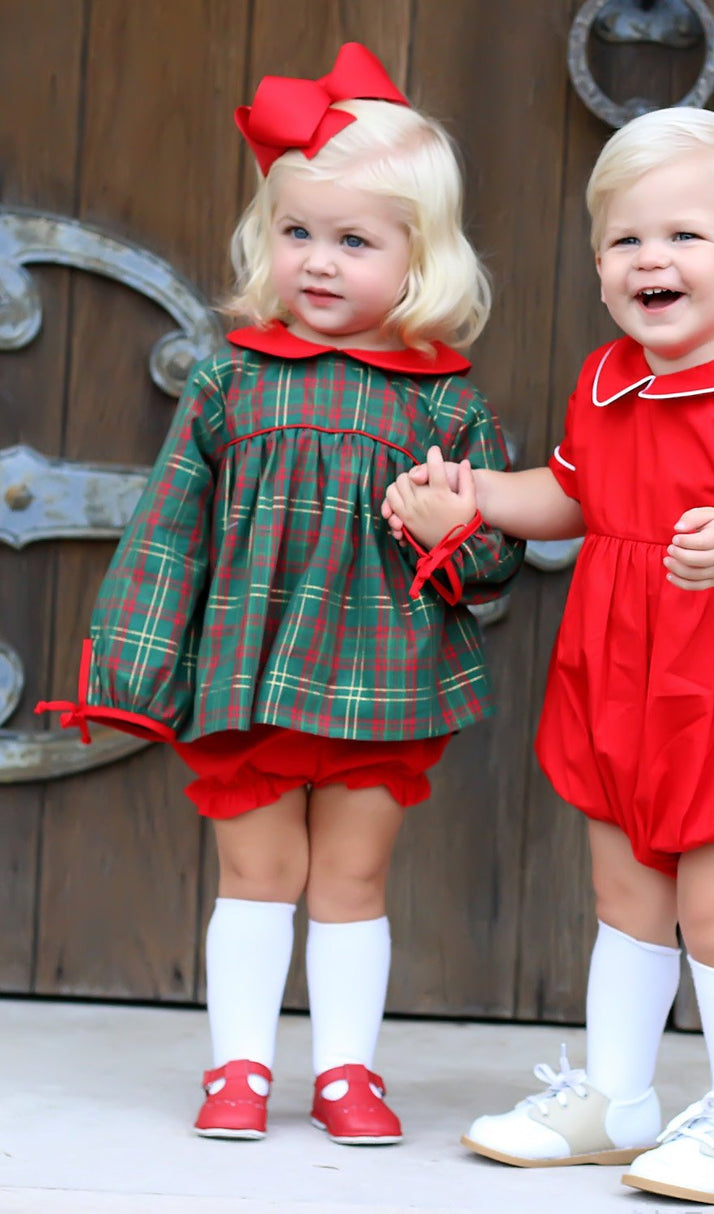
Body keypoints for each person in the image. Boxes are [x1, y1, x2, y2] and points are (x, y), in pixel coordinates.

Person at [37, 43, 523, 1146]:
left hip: (381, 676)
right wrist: (133, 666)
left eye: (354, 240)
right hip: (250, 674)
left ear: (416, 258)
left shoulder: (444, 399)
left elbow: (493, 563)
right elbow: (169, 532)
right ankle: (239, 1067)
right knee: (257, 873)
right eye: (297, 231)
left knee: (351, 876)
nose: (318, 260)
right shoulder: (230, 378)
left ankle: (348, 1073)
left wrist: (459, 528)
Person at [384, 107, 714, 1203]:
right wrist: (468, 502)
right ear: (600, 263)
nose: (650, 259)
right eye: (624, 239)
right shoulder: (607, 382)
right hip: (620, 678)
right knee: (624, 894)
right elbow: (566, 494)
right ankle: (617, 1096)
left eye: (684, 236)